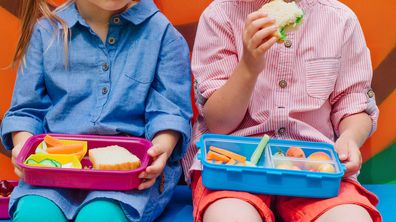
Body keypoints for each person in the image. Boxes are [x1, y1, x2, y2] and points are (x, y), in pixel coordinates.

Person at [182, 0, 381, 221]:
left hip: (315, 169)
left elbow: (353, 104)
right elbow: (219, 124)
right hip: (234, 166)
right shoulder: (220, 16)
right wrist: (248, 66)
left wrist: (350, 137)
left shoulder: (340, 19)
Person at [1, 0, 192, 221]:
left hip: (128, 183)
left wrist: (161, 149)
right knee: (35, 214)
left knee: (100, 216)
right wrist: (24, 147)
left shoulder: (163, 35)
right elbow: (26, 111)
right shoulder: (46, 32)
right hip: (53, 173)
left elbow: (170, 113)